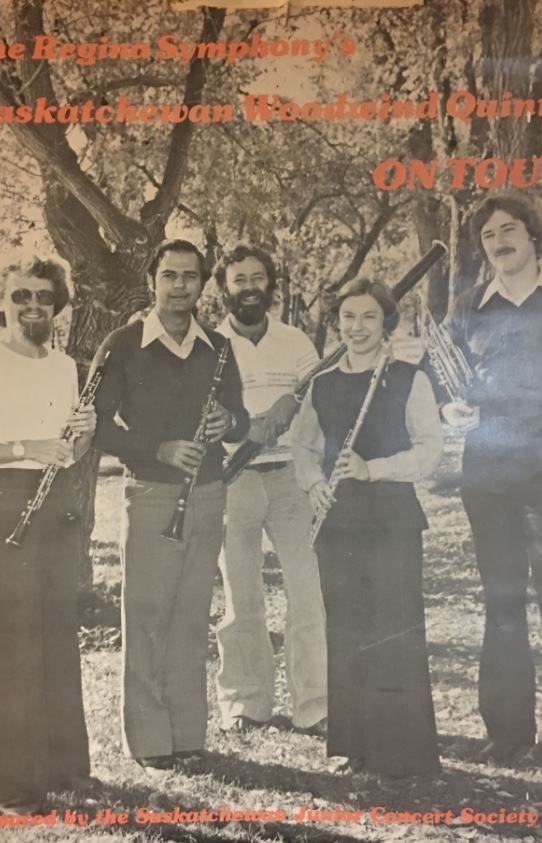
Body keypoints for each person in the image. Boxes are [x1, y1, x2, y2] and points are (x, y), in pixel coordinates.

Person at [443, 195, 542, 787]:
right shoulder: (469, 308)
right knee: (501, 604)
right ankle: (508, 736)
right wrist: (450, 403)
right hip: (488, 477)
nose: (499, 241)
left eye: (510, 229)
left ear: (533, 235)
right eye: (488, 235)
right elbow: (450, 381)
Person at [0, 257, 98, 815]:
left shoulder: (64, 365)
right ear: (1, 302)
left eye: (44, 296)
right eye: (21, 295)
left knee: (56, 632)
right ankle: (5, 789)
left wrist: (82, 436)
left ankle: (63, 770)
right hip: (8, 499)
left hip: (57, 503)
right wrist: (23, 448)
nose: (33, 305)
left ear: (58, 304)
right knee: (9, 641)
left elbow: (70, 451)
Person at [90, 238, 249, 770]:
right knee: (148, 614)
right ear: (152, 281)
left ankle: (188, 733)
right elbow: (97, 428)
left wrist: (230, 423)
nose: (180, 286)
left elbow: (241, 417)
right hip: (153, 494)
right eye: (170, 276)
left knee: (190, 616)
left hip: (207, 494)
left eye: (190, 277)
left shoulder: (219, 347)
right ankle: (151, 739)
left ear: (203, 284)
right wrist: (156, 448)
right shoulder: (124, 343)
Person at [292, 277, 442, 781]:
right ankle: (357, 747)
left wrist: (373, 469)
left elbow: (430, 451)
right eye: (349, 317)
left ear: (386, 324)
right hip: (340, 522)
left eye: (369, 318)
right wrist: (313, 484)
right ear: (338, 323)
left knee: (392, 629)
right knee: (349, 630)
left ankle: (401, 753)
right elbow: (304, 449)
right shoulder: (324, 383)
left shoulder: (408, 378)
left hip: (392, 519)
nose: (357, 328)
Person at [213, 244, 327, 735]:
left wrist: (290, 408)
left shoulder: (296, 340)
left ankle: (316, 705)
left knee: (308, 593)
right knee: (241, 597)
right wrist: (246, 428)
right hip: (231, 478)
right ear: (224, 289)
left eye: (257, 278)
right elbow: (200, 412)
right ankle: (245, 703)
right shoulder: (208, 344)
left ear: (270, 286)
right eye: (239, 280)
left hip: (291, 481)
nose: (249, 288)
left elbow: (321, 400)